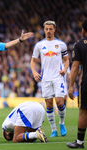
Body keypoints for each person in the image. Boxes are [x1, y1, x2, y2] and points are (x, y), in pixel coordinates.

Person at [30, 20, 69, 137]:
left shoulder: (61, 44)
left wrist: (65, 69)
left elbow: (67, 60)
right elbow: (33, 61)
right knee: (49, 105)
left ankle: (61, 123)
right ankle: (54, 130)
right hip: (45, 78)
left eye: (50, 29)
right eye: (46, 29)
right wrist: (34, 72)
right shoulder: (39, 45)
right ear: (44, 30)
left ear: (54, 29)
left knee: (60, 102)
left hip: (58, 77)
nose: (48, 31)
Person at [66, 19, 87, 149]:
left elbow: (75, 67)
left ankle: (79, 143)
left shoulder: (79, 44)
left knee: (84, 113)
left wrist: (71, 85)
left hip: (86, 83)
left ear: (83, 30)